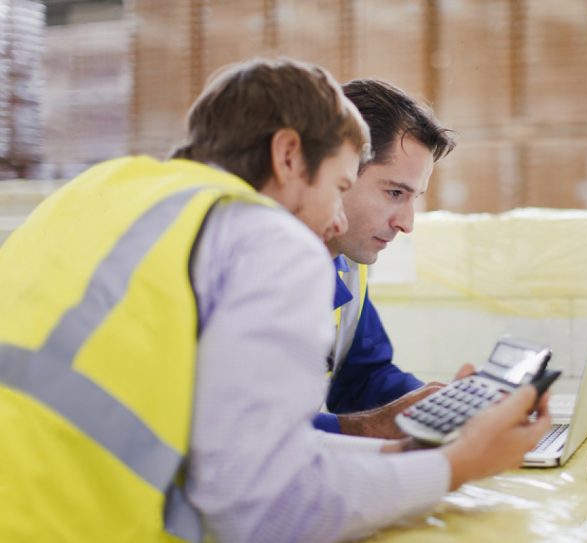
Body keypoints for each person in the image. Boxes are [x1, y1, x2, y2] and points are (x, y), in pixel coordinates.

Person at [0, 58, 551, 543]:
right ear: (288, 155)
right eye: (339, 186)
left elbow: (224, 451)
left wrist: (399, 454)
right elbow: (262, 512)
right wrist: (457, 465)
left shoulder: (100, 191)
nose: (334, 222)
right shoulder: (265, 235)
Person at [315, 79, 465, 438]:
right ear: (338, 173)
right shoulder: (253, 269)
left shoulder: (347, 264)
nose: (406, 223)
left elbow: (362, 380)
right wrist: (372, 426)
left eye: (414, 198)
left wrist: (438, 406)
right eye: (395, 192)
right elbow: (246, 431)